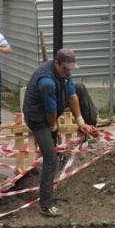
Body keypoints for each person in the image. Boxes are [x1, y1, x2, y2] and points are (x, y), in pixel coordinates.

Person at [22, 48, 98, 217]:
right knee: (51, 157)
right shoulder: (46, 82)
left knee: (79, 88)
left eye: (70, 69)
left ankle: (90, 127)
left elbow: (72, 96)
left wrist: (81, 122)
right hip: (38, 117)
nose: (67, 72)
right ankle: (46, 205)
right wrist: (53, 127)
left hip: (53, 103)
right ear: (57, 63)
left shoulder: (64, 73)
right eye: (65, 68)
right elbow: (51, 111)